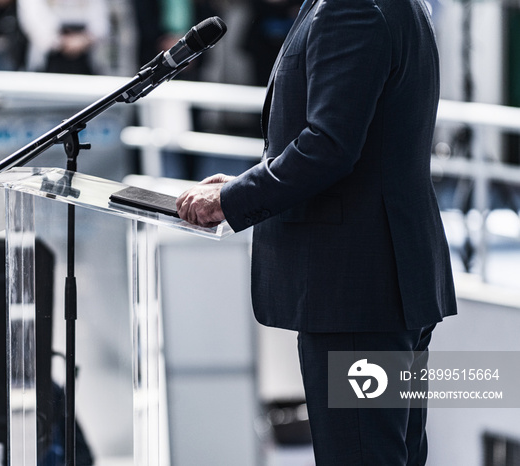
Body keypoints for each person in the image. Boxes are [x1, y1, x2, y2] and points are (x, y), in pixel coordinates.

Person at [176, 0, 457, 464]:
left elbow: (328, 145)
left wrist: (231, 201)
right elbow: (358, 138)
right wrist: (244, 184)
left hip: (355, 292)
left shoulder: (352, 8)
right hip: (386, 281)